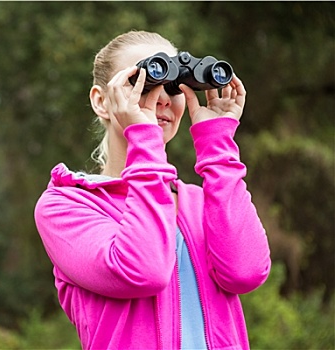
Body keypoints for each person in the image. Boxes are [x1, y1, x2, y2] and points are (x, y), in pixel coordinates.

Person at [34, 30, 271, 350]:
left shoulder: (204, 201)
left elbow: (246, 273)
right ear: (101, 101)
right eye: (142, 83)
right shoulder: (65, 206)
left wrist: (218, 143)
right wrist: (143, 138)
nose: (161, 98)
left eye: (172, 85)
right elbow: (144, 271)